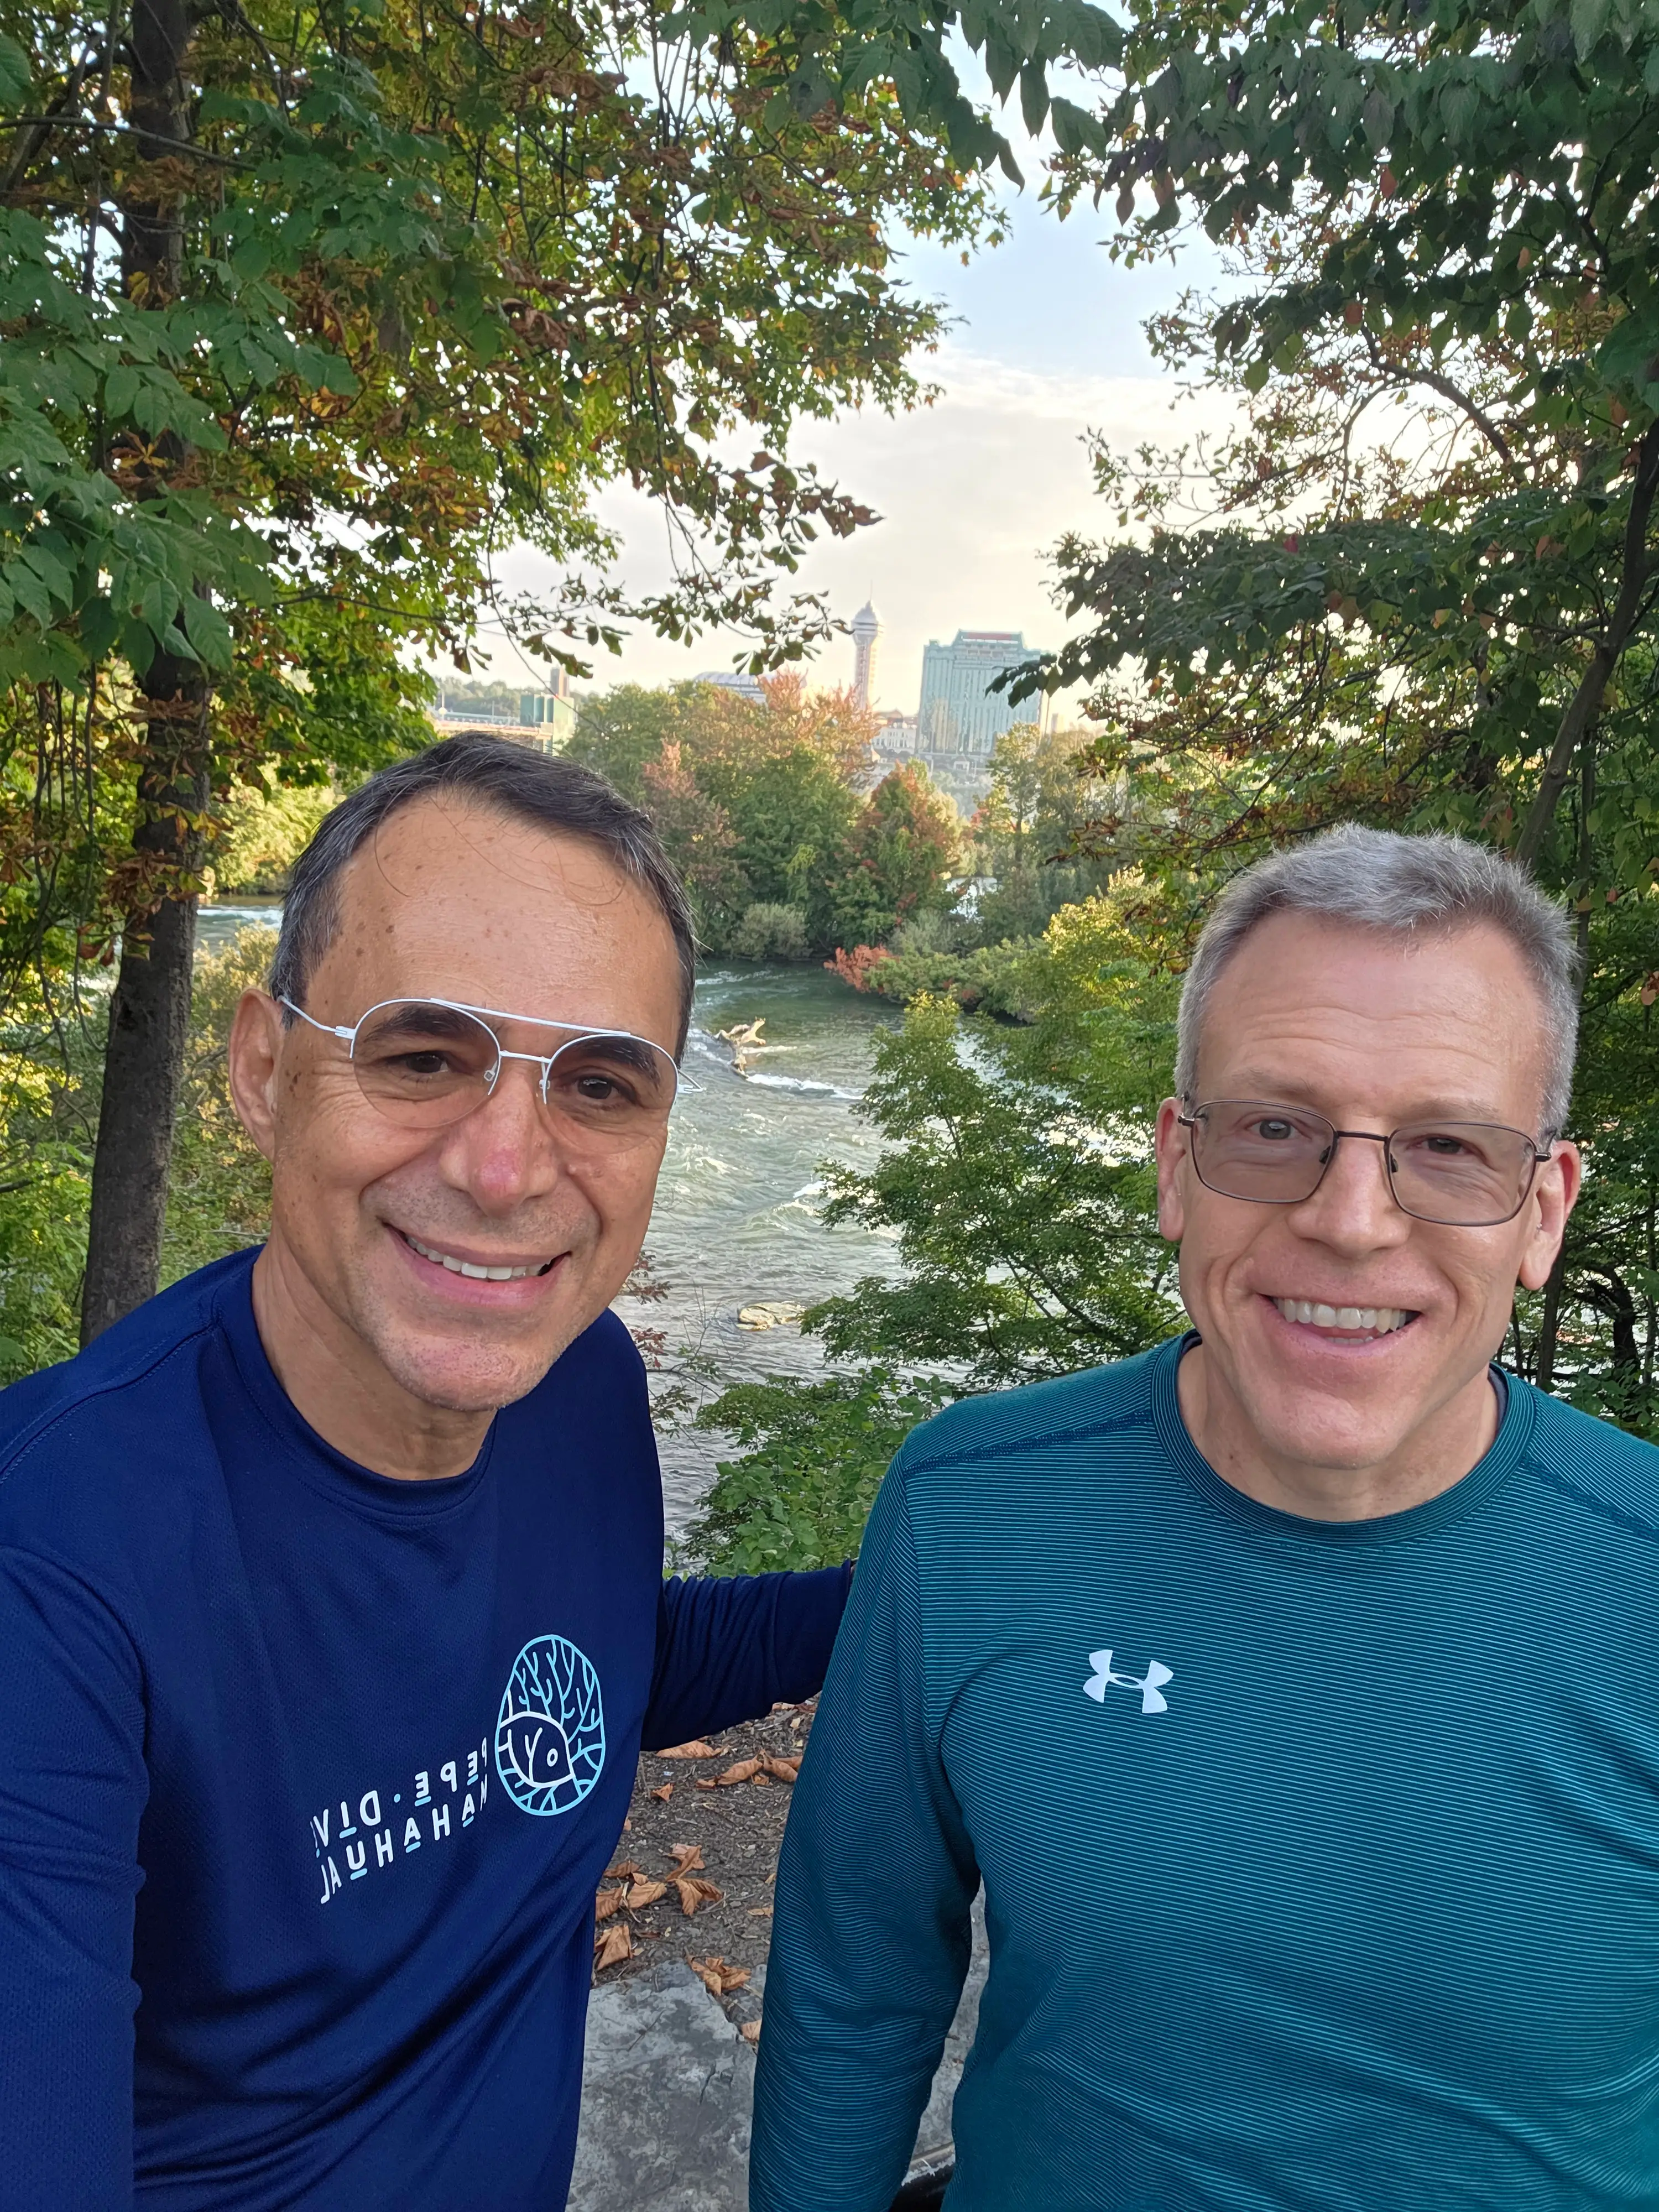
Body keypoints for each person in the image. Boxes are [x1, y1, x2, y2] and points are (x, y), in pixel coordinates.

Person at [749, 824, 1659, 2212]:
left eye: (1451, 1146)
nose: (1354, 1218)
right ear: (1177, 1163)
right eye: (1275, 1129)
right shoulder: (972, 1507)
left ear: (1542, 1210)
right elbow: (856, 1982)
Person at [0, 735, 851, 2209]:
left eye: (598, 1085)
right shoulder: (53, 1562)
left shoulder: (581, 1385)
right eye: (419, 1056)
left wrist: (941, 1567)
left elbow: (594, 1664)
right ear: (264, 1070)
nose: (508, 1168)